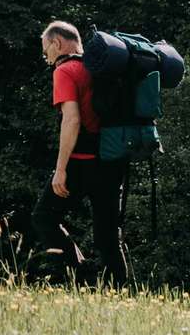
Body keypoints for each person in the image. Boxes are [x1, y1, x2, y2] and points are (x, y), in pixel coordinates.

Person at [30, 20, 130, 286]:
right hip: (113, 161)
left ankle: (81, 276)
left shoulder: (65, 71)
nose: (46, 58)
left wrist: (61, 169)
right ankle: (119, 292)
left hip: (81, 163)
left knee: (44, 217)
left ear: (57, 43)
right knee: (107, 236)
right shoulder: (101, 69)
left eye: (46, 51)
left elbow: (72, 120)